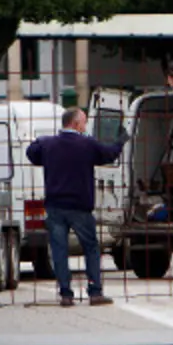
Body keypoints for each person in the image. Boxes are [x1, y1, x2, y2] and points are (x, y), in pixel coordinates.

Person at [25, 108, 127, 307]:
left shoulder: (49, 144)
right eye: (84, 122)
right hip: (80, 207)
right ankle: (95, 292)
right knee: (91, 247)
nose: (85, 126)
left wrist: (40, 141)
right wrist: (120, 141)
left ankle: (66, 294)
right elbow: (109, 155)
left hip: (55, 206)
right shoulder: (87, 144)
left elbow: (32, 153)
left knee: (59, 250)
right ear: (76, 123)